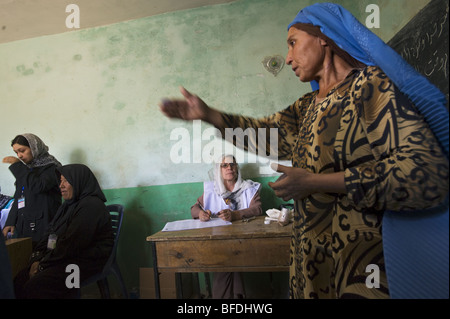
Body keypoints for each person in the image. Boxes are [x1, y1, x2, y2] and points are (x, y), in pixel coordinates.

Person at [160, 3, 449, 299]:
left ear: (322, 36)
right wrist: (210, 115)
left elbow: (424, 175)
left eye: (293, 43)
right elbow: (264, 136)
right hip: (310, 263)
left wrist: (315, 183)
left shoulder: (369, 88)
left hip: (359, 265)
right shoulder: (306, 107)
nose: (287, 58)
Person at [13, 164, 114, 299]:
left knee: (37, 285)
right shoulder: (67, 206)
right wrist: (36, 259)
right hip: (66, 257)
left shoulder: (91, 205)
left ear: (79, 180)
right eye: (60, 180)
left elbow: (72, 244)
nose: (61, 185)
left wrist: (43, 265)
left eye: (66, 180)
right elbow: (49, 233)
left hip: (86, 262)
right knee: (19, 280)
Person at [191, 154, 262, 298]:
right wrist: (201, 214)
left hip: (246, 240)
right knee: (225, 259)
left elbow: (258, 209)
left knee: (228, 259)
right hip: (219, 242)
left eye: (232, 164)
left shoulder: (249, 188)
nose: (229, 168)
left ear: (237, 168)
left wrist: (235, 215)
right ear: (219, 170)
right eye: (224, 165)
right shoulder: (212, 190)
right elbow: (194, 208)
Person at [2, 134, 62, 247]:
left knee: (43, 257)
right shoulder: (27, 170)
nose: (19, 155)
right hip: (25, 225)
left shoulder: (52, 168)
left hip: (44, 225)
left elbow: (38, 186)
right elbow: (19, 196)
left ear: (34, 148)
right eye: (16, 153)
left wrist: (17, 166)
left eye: (22, 150)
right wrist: (10, 221)